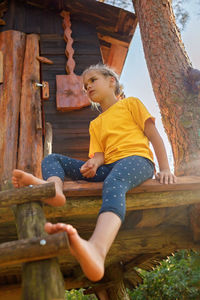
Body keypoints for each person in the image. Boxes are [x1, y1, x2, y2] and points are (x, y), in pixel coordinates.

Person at [12, 64, 176, 282]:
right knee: (53, 158)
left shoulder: (131, 104)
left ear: (111, 81)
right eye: (84, 85)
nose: (87, 87)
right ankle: (53, 189)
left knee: (114, 181)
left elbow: (153, 136)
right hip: (108, 166)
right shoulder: (96, 123)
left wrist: (165, 168)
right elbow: (99, 155)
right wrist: (92, 165)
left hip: (137, 161)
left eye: (93, 80)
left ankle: (98, 249)